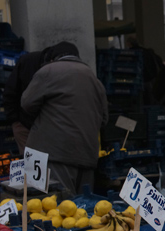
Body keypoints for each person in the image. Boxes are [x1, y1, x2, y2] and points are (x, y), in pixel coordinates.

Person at [20, 42, 108, 196]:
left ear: (54, 58)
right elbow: (104, 119)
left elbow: (26, 103)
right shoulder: (94, 79)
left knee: (57, 209)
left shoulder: (47, 71)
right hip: (87, 154)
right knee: (84, 210)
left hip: (54, 154)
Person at [2, 44, 53, 154]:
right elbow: (10, 91)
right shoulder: (27, 62)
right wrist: (15, 121)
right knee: (31, 162)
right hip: (25, 123)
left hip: (46, 125)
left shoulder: (55, 70)